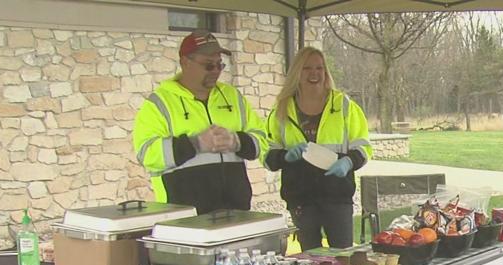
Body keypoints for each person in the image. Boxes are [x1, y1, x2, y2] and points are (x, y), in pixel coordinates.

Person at [133, 30, 266, 214]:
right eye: (209, 65)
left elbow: (262, 140)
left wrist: (237, 141)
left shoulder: (232, 97)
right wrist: (196, 144)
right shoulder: (159, 104)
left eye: (220, 65)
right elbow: (146, 154)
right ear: (186, 63)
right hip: (184, 216)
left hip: (236, 211)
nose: (216, 71)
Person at [261, 47, 372, 251]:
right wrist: (286, 156)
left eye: (319, 68)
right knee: (310, 259)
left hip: (337, 195)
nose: (314, 73)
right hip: (301, 197)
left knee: (343, 257)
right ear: (297, 73)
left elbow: (364, 147)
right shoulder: (281, 110)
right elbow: (267, 155)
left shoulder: (344, 105)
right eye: (307, 68)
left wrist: (348, 162)